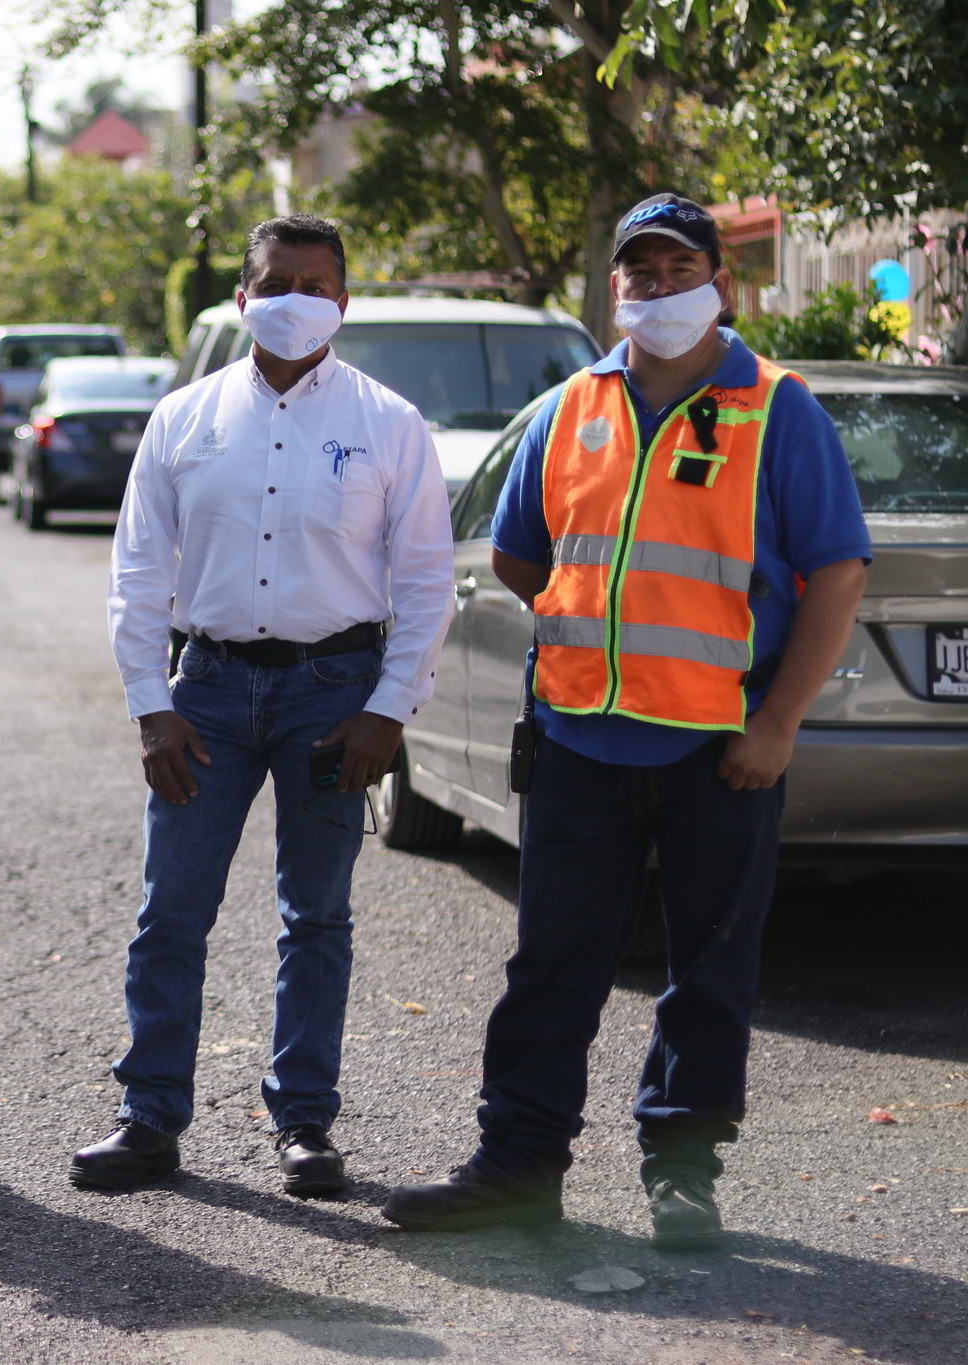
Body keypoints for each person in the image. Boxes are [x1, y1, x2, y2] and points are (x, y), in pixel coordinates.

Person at [384, 193, 869, 1249]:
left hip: (719, 750)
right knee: (550, 965)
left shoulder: (775, 411)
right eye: (637, 275)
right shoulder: (570, 409)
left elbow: (835, 575)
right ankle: (516, 1165)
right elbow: (519, 553)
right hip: (576, 742)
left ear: (718, 283)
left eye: (676, 270)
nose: (656, 291)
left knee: (709, 968)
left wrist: (776, 720)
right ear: (615, 288)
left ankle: (681, 1176)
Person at [74, 214, 455, 1194]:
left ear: (343, 299)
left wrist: (387, 711)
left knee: (315, 916)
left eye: (316, 283)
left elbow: (422, 582)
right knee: (170, 913)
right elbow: (135, 571)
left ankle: (304, 1126)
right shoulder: (183, 419)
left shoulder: (387, 423)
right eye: (275, 282)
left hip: (332, 696)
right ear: (241, 298)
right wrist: (147, 704)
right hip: (202, 693)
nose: (295, 299)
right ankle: (147, 1118)